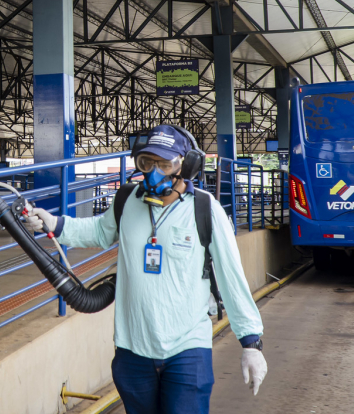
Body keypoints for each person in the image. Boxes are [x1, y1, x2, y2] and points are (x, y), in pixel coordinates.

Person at [24, 125, 267, 413]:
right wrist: (54, 223)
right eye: (147, 163)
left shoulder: (205, 209)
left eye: (165, 164)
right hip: (132, 349)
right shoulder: (127, 200)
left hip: (187, 349)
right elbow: (99, 232)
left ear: (186, 167)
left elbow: (231, 277)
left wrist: (251, 343)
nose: (154, 172)